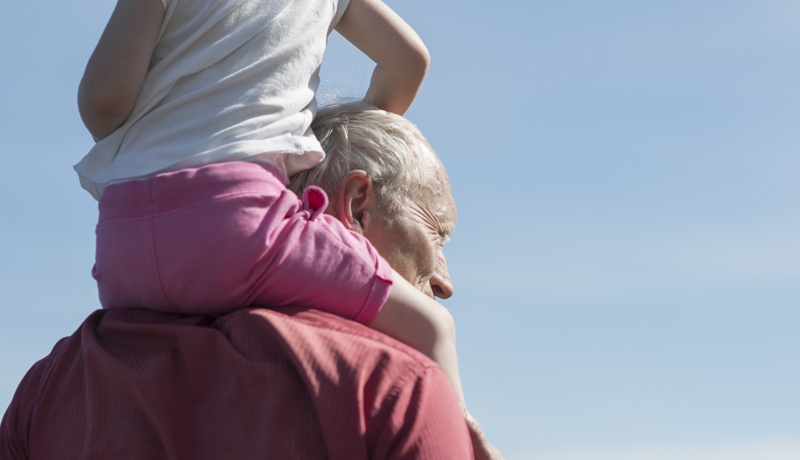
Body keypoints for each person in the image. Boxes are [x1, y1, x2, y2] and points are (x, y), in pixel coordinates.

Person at [0, 103, 496, 459]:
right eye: (438, 234)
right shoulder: (397, 392)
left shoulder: (51, 387)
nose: (444, 282)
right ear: (357, 207)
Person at [74, 0, 466, 407]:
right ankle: (467, 438)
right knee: (433, 327)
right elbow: (408, 62)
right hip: (236, 225)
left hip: (122, 246)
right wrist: (347, 143)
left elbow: (104, 106)